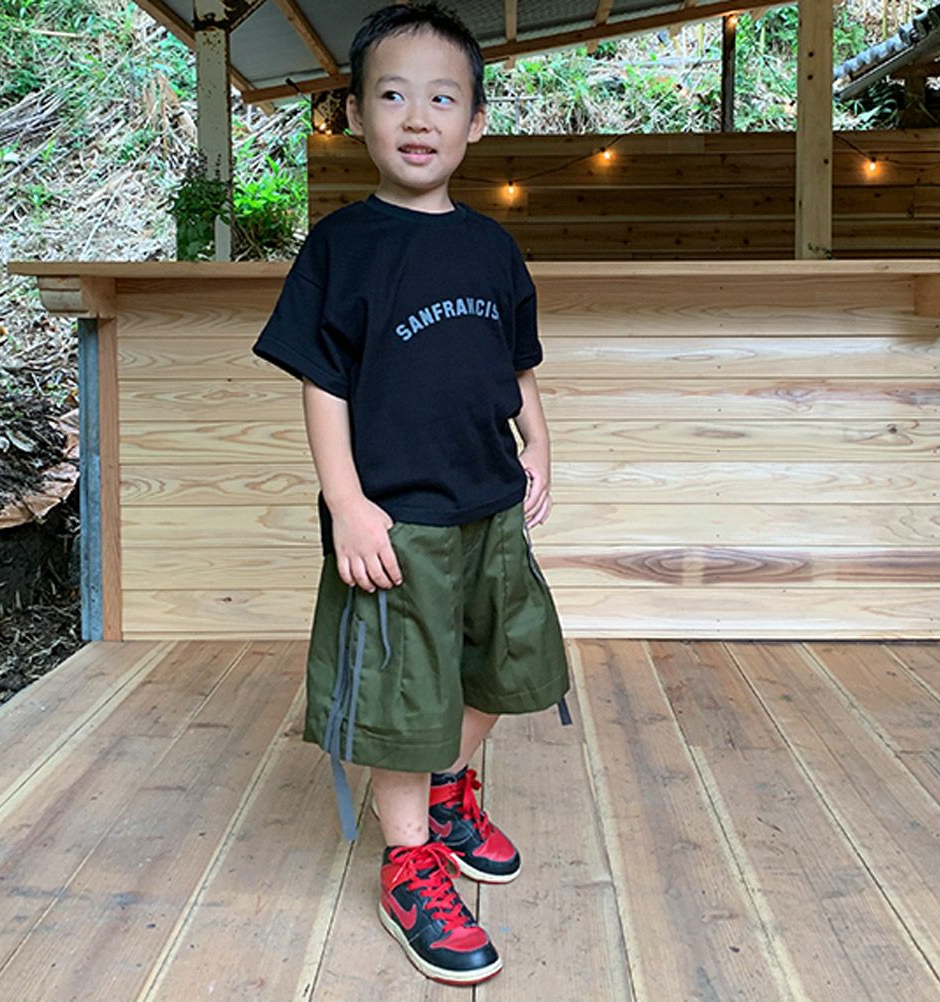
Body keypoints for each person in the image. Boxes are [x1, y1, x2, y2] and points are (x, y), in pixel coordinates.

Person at [251, 1, 570, 986]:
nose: (419, 116)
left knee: (508, 665)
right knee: (404, 694)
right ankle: (409, 862)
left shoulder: (492, 246)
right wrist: (348, 504)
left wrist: (539, 440)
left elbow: (516, 362)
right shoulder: (341, 246)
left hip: (490, 508)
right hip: (397, 521)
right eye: (393, 95)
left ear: (476, 120)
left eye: (443, 97)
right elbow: (323, 384)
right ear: (355, 114)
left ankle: (445, 790)